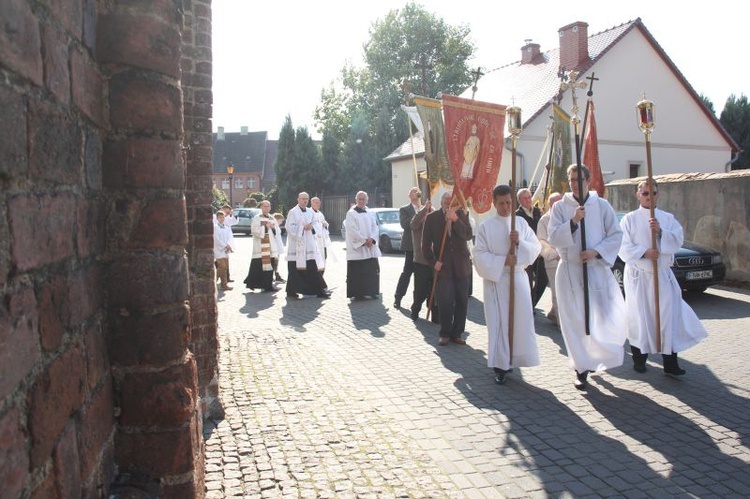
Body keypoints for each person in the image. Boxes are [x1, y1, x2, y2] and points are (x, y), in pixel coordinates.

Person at [548, 164, 627, 389]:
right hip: (571, 271)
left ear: (588, 180)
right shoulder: (561, 208)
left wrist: (596, 251)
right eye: (571, 179)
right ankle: (580, 368)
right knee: (575, 320)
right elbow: (553, 236)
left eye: (579, 179)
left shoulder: (601, 205)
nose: (575, 183)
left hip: (595, 269)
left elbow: (615, 234)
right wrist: (573, 222)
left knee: (599, 318)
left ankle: (597, 355)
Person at [618, 180, 707, 375]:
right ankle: (640, 360)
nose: (650, 197)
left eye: (653, 193)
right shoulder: (629, 219)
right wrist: (644, 252)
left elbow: (677, 240)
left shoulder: (667, 218)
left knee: (668, 317)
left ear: (659, 195)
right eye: (645, 193)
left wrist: (661, 233)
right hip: (639, 277)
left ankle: (670, 362)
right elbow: (622, 246)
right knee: (640, 318)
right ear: (637, 194)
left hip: (662, 275)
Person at [474, 185, 542, 384]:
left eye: (509, 203)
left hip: (518, 278)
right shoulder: (486, 227)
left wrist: (520, 242)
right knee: (499, 323)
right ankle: (500, 364)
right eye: (501, 203)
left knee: (520, 321)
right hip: (497, 280)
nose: (505, 207)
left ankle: (514, 357)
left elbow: (536, 247)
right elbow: (478, 256)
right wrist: (503, 260)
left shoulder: (520, 223)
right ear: (494, 203)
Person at [422, 191, 473, 346]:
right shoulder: (432, 218)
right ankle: (444, 333)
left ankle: (457, 333)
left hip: (461, 267)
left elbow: (469, 235)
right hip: (443, 267)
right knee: (445, 301)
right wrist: (433, 261)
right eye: (445, 200)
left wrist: (456, 220)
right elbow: (425, 245)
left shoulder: (462, 215)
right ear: (441, 202)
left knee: (461, 301)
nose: (448, 203)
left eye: (451, 200)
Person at [285, 192, 330, 300]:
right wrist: (302, 228)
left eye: (306, 199)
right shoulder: (293, 212)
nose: (305, 201)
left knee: (313, 268)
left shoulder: (310, 212)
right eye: (302, 199)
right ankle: (291, 290)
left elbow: (316, 224)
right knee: (294, 270)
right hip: (297, 245)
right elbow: (289, 227)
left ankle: (319, 290)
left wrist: (312, 227)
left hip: (309, 245)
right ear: (298, 199)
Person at [344, 191, 382, 299]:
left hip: (370, 247)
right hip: (358, 249)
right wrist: (364, 241)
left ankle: (372, 291)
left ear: (367, 200)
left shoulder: (370, 212)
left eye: (363, 199)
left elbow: (375, 227)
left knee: (372, 271)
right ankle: (358, 293)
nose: (361, 201)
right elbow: (352, 230)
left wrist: (372, 239)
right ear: (356, 200)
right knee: (358, 273)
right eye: (359, 199)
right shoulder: (351, 213)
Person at [516, 187, 547, 308]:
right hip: (526, 253)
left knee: (543, 280)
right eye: (525, 198)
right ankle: (526, 306)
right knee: (527, 283)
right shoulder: (517, 215)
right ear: (519, 200)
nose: (528, 200)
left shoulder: (538, 212)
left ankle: (531, 303)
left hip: (539, 252)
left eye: (529, 197)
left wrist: (544, 217)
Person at [244, 200, 283, 292]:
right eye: (265, 206)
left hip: (271, 247)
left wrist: (273, 228)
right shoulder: (257, 218)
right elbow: (254, 230)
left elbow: (278, 231)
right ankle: (252, 283)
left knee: (270, 267)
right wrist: (265, 227)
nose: (266, 208)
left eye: (268, 206)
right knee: (257, 267)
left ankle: (268, 285)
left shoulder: (272, 218)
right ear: (261, 207)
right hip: (261, 247)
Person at [536, 192, 563, 324]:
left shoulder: (568, 215)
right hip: (553, 261)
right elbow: (541, 240)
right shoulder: (544, 220)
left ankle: (553, 313)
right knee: (557, 291)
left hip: (568, 260)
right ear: (550, 205)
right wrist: (554, 255)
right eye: (555, 203)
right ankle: (560, 322)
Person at [394, 187, 422, 309]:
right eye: (412, 191)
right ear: (409, 196)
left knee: (420, 276)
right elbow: (405, 224)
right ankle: (398, 297)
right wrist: (419, 214)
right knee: (407, 273)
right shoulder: (405, 209)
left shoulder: (425, 208)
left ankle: (417, 302)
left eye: (417, 190)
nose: (415, 192)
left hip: (422, 247)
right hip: (411, 246)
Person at [409, 197, 436, 321]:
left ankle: (435, 314)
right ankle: (415, 310)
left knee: (434, 290)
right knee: (420, 290)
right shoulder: (418, 219)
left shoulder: (435, 218)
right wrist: (424, 210)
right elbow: (413, 225)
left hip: (434, 260)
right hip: (421, 260)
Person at [310, 197, 332, 273]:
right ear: (311, 203)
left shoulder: (320, 213)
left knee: (324, 257)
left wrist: (325, 224)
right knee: (315, 259)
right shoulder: (309, 212)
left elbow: (324, 223)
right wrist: (320, 224)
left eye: (319, 202)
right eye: (316, 202)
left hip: (322, 240)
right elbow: (310, 226)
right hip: (314, 240)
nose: (318, 204)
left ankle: (321, 276)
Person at [213, 211, 234, 291]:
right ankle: (214, 279)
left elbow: (230, 238)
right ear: (217, 218)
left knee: (225, 268)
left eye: (223, 217)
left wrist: (228, 245)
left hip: (226, 250)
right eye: (220, 217)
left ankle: (224, 285)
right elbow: (216, 239)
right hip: (219, 249)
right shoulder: (215, 227)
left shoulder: (227, 227)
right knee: (222, 266)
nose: (222, 219)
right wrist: (225, 246)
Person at [272, 212, 286, 283]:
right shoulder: (274, 226)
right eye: (281, 220)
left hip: (277, 247)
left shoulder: (276, 226)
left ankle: (276, 275)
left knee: (276, 262)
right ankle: (276, 275)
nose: (281, 222)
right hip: (275, 247)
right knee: (275, 262)